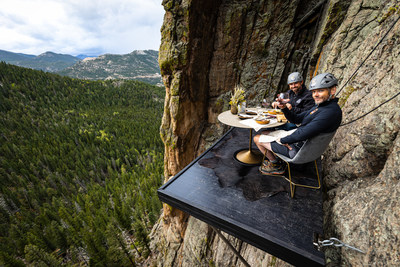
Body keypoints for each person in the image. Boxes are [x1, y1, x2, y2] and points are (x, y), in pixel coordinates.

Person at [254, 72, 343, 175]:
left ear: (332, 90)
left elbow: (303, 133)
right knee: (265, 132)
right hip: (302, 144)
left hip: (297, 150)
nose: (316, 95)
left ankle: (276, 165)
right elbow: (296, 119)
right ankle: (277, 156)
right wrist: (284, 108)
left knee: (256, 138)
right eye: (314, 92)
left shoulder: (329, 112)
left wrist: (283, 140)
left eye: (320, 91)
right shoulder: (322, 107)